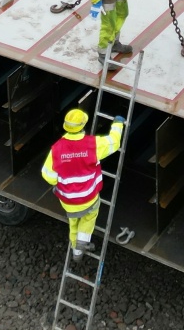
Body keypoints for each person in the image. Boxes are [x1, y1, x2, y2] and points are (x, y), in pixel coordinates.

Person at [41, 108, 125, 258]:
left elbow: (48, 176)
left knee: (73, 221)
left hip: (67, 200)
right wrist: (118, 123)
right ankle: (81, 245)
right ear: (83, 125)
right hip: (89, 198)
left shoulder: (56, 149)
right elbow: (114, 142)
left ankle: (76, 249)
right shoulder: (93, 144)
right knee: (88, 218)